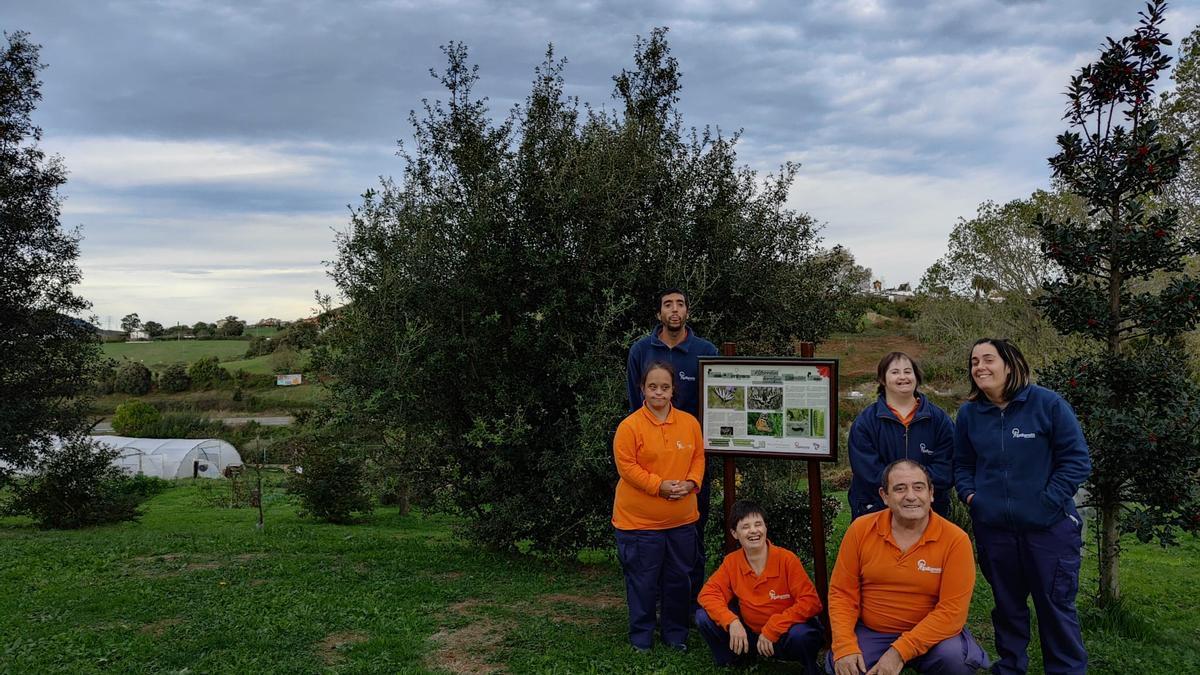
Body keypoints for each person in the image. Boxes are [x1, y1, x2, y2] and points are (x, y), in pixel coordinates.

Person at [954, 338, 1091, 675]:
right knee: (1008, 608)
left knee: (1055, 609)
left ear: (1010, 365)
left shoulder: (1048, 404)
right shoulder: (970, 413)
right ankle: (1011, 668)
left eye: (988, 359)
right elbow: (961, 465)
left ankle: (1066, 670)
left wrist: (1046, 502)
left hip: (1050, 531)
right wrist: (973, 497)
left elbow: (1076, 461)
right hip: (995, 532)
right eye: (974, 362)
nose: (980, 367)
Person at [828, 460, 989, 675]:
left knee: (955, 661)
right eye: (900, 488)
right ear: (884, 496)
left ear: (931, 493)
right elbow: (842, 593)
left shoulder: (955, 540)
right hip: (874, 630)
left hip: (934, 634)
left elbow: (952, 612)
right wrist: (844, 645)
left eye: (919, 487)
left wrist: (899, 652)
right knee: (845, 666)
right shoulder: (860, 530)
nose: (911, 496)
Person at [627, 287, 718, 604]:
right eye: (668, 304)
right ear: (659, 313)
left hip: (692, 461)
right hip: (650, 462)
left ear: (688, 312)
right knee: (649, 537)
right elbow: (632, 405)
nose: (674, 309)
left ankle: (690, 603)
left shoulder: (706, 351)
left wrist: (694, 472)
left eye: (680, 304)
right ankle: (652, 603)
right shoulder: (641, 351)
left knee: (693, 532)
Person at [613, 361, 706, 653]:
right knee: (643, 582)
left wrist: (691, 483)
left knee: (679, 580)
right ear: (642, 389)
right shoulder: (629, 427)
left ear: (673, 390)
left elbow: (699, 459)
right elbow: (627, 467)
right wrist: (659, 486)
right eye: (652, 387)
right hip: (639, 524)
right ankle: (641, 637)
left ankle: (675, 634)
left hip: (682, 521)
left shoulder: (690, 423)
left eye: (664, 387)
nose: (658, 393)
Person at [695, 500, 824, 671]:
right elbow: (707, 594)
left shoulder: (787, 559)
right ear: (735, 533)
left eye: (758, 524)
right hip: (750, 634)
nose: (754, 531)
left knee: (802, 636)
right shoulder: (731, 562)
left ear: (765, 528)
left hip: (785, 633)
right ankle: (734, 660)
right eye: (745, 526)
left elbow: (811, 602)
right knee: (703, 617)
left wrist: (774, 628)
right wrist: (732, 621)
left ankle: (808, 665)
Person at [847, 352, 953, 520]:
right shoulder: (865, 422)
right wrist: (901, 492)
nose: (903, 377)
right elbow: (867, 471)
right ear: (882, 379)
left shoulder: (939, 420)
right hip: (876, 510)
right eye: (895, 372)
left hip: (930, 513)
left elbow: (946, 469)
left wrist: (916, 493)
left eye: (908, 371)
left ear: (916, 377)